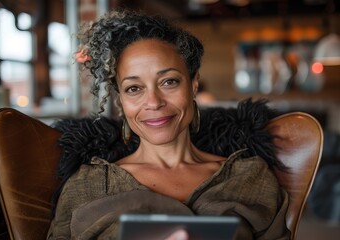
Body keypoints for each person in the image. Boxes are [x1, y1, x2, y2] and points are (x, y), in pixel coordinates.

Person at [47, 10, 290, 240]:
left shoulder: (250, 177)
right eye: (134, 88)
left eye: (169, 82)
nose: (153, 102)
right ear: (120, 99)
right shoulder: (88, 184)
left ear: (194, 84)